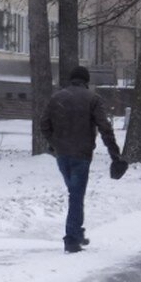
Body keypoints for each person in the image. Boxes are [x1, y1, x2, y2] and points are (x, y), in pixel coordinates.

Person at [41, 65, 123, 253]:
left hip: (62, 155)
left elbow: (44, 124)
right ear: (86, 81)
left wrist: (55, 143)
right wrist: (115, 154)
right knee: (76, 195)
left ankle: (77, 232)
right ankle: (71, 238)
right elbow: (105, 128)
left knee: (74, 193)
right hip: (82, 154)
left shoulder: (57, 98)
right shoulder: (92, 99)